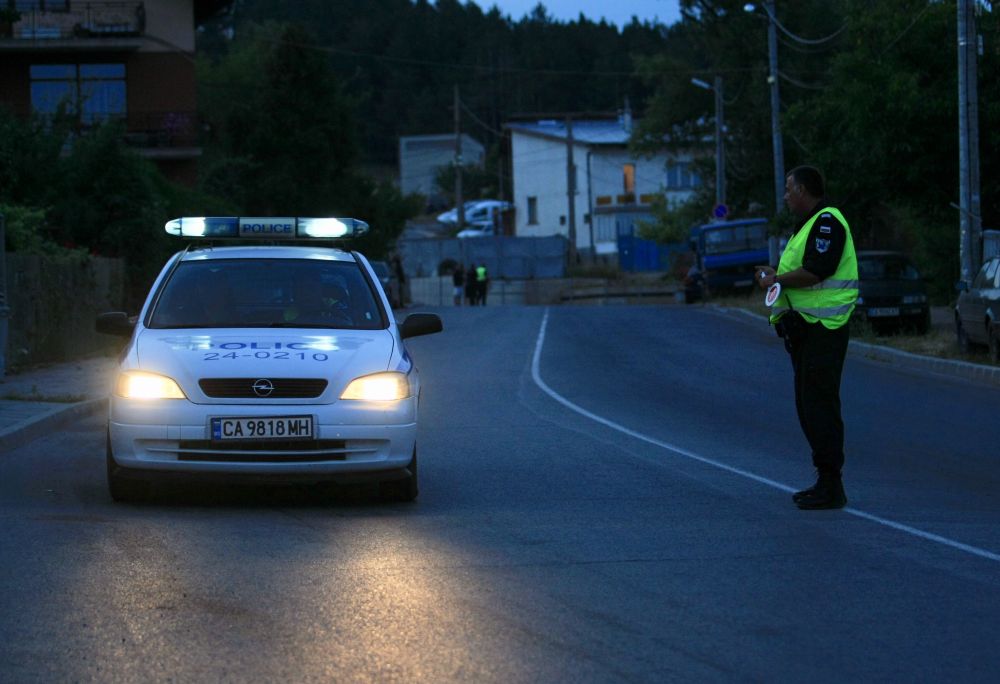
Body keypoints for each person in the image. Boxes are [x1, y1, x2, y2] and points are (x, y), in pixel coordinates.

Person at [755, 165, 858, 510]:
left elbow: (816, 271)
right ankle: (824, 480)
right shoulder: (807, 226)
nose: (785, 196)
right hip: (807, 329)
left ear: (802, 191)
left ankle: (832, 485)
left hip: (824, 329)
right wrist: (778, 278)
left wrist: (777, 280)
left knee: (819, 405)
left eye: (788, 189)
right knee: (807, 404)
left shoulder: (827, 222)